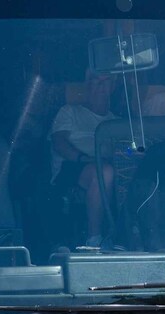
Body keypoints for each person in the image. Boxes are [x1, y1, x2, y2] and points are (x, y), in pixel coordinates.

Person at [49, 70, 117, 248]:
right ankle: (94, 239)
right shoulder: (70, 111)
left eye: (106, 81)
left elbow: (128, 150)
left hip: (108, 166)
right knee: (106, 172)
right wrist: (83, 158)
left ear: (113, 87)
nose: (101, 86)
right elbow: (59, 143)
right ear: (88, 85)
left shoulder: (117, 121)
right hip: (71, 167)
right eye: (96, 81)